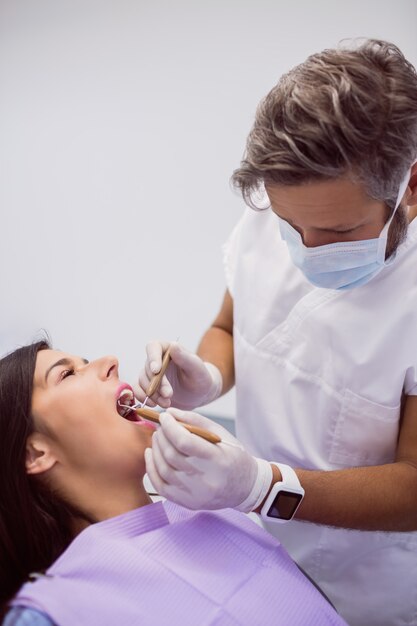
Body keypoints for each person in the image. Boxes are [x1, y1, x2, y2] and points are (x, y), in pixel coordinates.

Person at [136, 39, 417, 626]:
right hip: (254, 554)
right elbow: (227, 324)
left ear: (409, 185)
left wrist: (263, 486)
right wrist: (206, 378)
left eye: (339, 231)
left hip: (365, 589)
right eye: (294, 227)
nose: (307, 251)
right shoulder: (271, 212)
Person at [0, 340, 346, 626]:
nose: (110, 362)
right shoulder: (48, 614)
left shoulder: (215, 508)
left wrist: (257, 484)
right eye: (67, 374)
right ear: (34, 453)